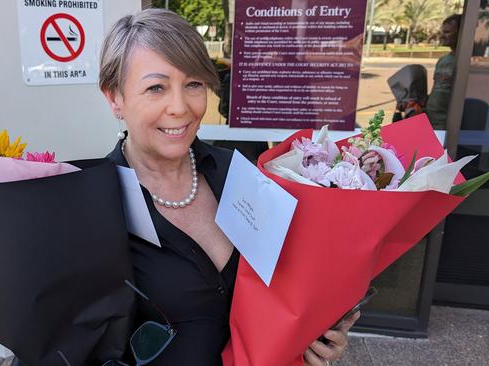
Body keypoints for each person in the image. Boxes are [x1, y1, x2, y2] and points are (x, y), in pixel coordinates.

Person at [99, 9, 359, 365]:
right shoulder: (94, 205)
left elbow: (283, 286)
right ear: (115, 98)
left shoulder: (237, 170)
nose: (180, 107)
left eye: (193, 84)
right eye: (156, 87)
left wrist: (313, 336)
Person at [426, 14, 462, 130]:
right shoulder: (443, 60)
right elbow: (437, 91)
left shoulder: (463, 63)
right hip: (431, 123)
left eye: (447, 32)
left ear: (461, 33)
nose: (442, 35)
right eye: (443, 31)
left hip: (448, 128)